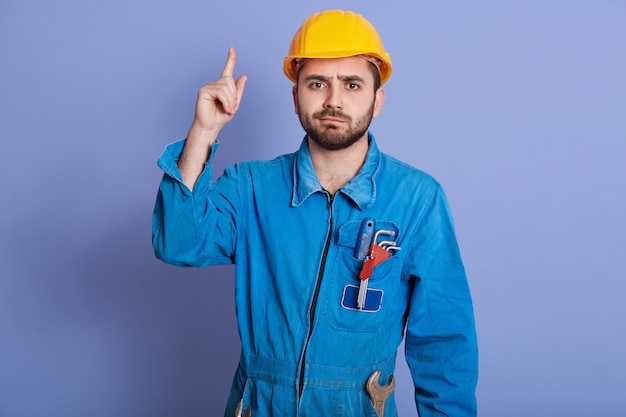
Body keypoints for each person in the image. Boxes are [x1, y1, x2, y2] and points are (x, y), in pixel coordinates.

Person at [152, 9, 478, 417]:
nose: (333, 100)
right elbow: (178, 243)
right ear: (295, 97)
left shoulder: (418, 199)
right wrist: (203, 132)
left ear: (377, 100)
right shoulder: (251, 187)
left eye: (352, 84)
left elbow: (444, 343)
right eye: (317, 83)